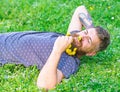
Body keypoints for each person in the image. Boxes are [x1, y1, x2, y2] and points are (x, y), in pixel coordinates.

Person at [0, 5, 110, 90]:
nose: (82, 37)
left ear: (91, 53)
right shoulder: (72, 36)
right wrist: (91, 30)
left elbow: (44, 86)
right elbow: (80, 9)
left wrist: (57, 50)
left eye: (88, 40)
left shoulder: (69, 62)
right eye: (85, 32)